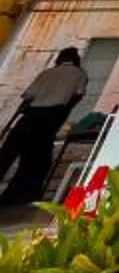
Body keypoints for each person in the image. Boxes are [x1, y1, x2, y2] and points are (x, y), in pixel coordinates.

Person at [1, 49, 89, 203]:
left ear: (60, 59)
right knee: (37, 157)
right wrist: (62, 113)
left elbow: (28, 97)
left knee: (8, 152)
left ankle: (16, 194)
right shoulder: (79, 74)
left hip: (31, 114)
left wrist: (16, 118)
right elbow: (78, 95)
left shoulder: (47, 73)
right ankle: (20, 195)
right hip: (51, 116)